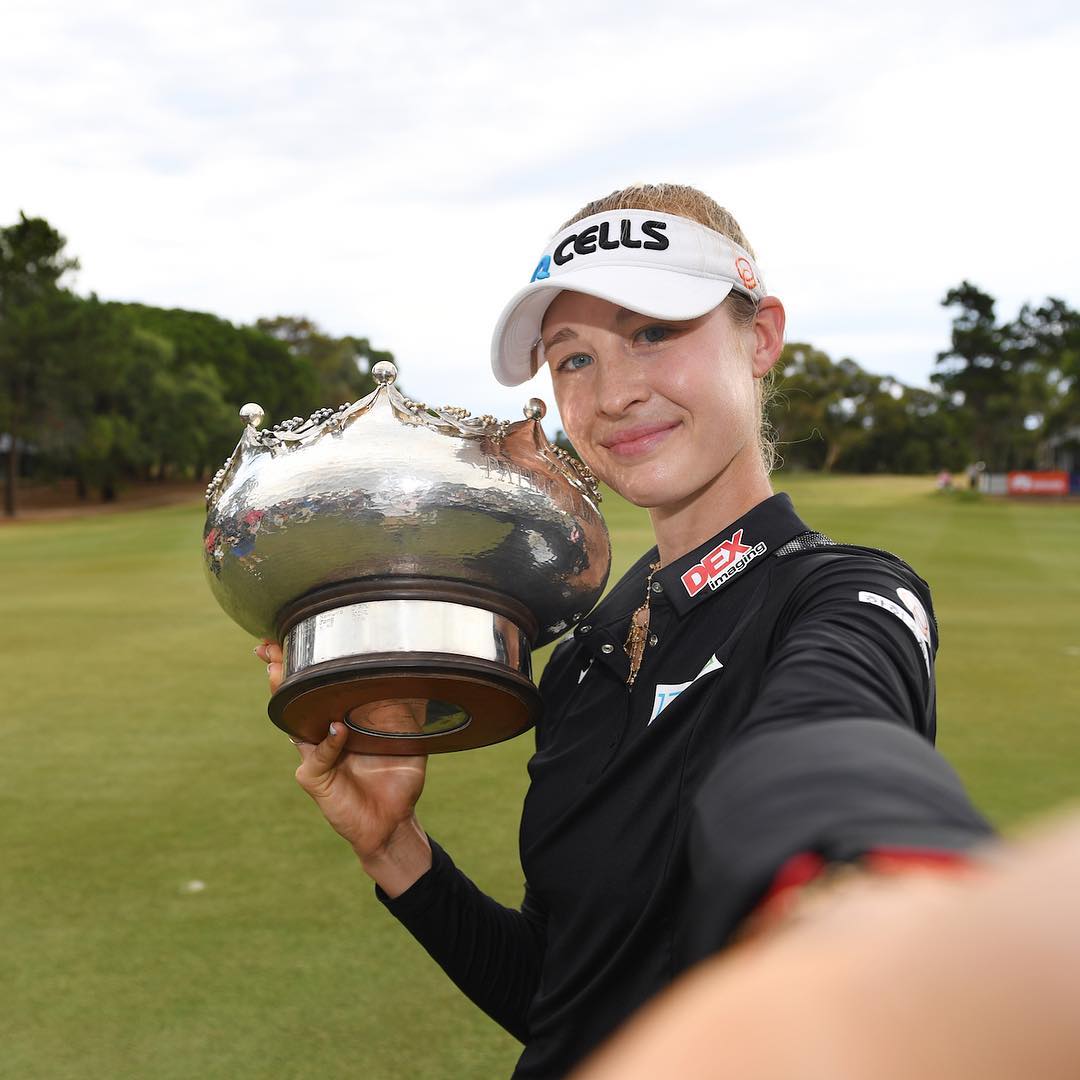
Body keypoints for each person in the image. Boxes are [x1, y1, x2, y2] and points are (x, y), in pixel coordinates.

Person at [254, 183, 992, 1078]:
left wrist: (866, 866)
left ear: (759, 338)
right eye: (573, 360)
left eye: (652, 332)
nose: (613, 394)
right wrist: (391, 847)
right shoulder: (582, 651)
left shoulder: (847, 597)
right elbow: (564, 1001)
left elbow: (830, 739)